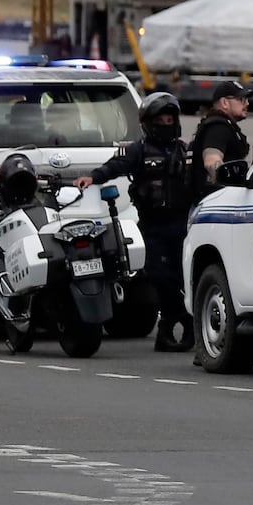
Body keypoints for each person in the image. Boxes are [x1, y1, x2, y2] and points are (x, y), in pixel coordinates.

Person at [92, 91, 196, 352]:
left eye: (169, 118)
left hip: (183, 226)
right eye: (160, 119)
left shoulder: (185, 150)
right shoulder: (138, 150)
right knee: (160, 278)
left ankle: (173, 328)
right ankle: (178, 320)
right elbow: (116, 166)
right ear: (149, 122)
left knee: (184, 278)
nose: (165, 123)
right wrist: (93, 178)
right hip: (153, 227)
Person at [193, 80, 253, 196]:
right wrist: (228, 182)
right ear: (225, 102)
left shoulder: (224, 126)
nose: (247, 104)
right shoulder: (218, 127)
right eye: (241, 99)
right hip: (215, 198)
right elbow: (211, 161)